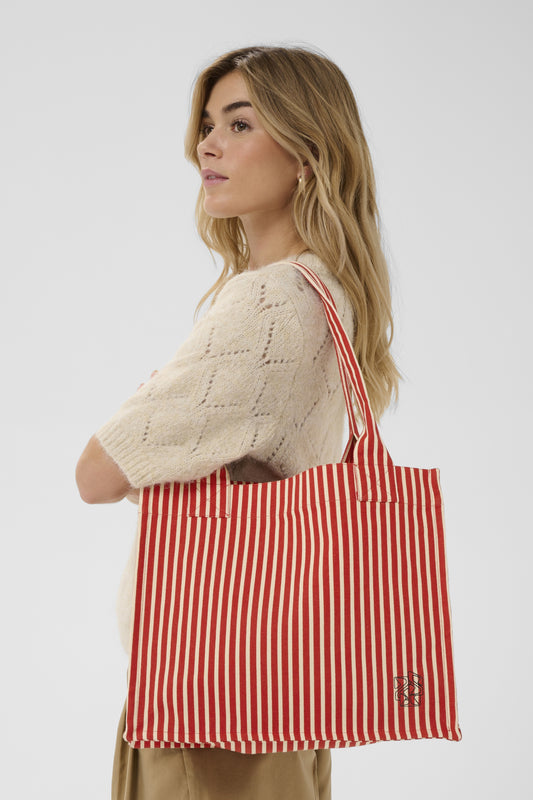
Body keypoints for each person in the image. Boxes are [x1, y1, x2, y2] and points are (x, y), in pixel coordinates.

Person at [76, 44, 400, 800]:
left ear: (306, 156)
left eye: (240, 123)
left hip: (208, 698)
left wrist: (151, 398)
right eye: (207, 123)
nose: (206, 145)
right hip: (289, 688)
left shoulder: (267, 305)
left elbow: (96, 472)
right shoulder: (331, 294)